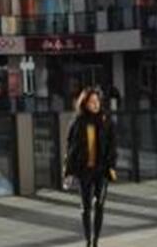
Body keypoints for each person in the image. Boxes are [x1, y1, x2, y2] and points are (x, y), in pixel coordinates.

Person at [63, 87, 118, 247]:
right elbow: (71, 148)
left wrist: (111, 165)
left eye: (97, 101)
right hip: (84, 170)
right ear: (85, 103)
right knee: (86, 207)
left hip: (102, 169)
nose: (95, 104)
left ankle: (95, 242)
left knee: (99, 204)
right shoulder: (78, 122)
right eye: (92, 102)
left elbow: (113, 145)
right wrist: (68, 171)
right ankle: (87, 240)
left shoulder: (106, 120)